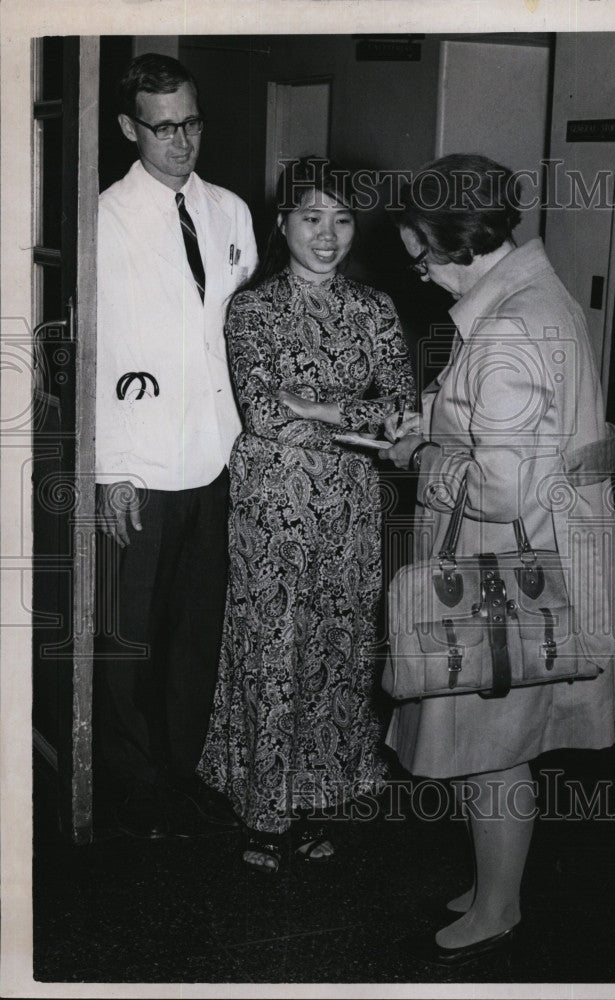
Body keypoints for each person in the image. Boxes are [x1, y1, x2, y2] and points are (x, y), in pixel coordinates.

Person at [380, 154, 615, 965]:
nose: (419, 273)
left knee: (492, 747)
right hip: (555, 557)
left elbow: (501, 489)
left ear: (455, 242)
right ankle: (496, 884)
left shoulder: (509, 326)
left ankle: (498, 909)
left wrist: (423, 454)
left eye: (420, 254)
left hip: (505, 568)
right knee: (500, 740)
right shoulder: (535, 298)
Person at [196, 157, 416, 872]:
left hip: (351, 502)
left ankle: (318, 791)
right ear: (283, 222)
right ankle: (265, 807)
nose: (328, 236)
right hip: (272, 502)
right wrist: (353, 418)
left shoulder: (376, 307)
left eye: (343, 219)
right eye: (312, 217)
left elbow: (401, 415)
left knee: (337, 644)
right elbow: (262, 418)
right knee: (273, 642)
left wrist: (317, 405)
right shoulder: (252, 309)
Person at [95, 53, 258, 839]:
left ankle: (185, 773)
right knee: (130, 637)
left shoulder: (229, 211)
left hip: (218, 454)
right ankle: (133, 790)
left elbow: (236, 332)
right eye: (163, 128)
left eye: (191, 122)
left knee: (199, 630)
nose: (181, 140)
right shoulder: (102, 219)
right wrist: (111, 469)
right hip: (142, 463)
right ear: (131, 128)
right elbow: (97, 352)